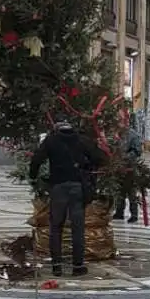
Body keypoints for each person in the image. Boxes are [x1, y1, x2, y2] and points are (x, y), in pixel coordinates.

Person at [30, 118, 102, 277]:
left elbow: (36, 160)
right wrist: (86, 166)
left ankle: (57, 266)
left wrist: (33, 178)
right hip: (77, 187)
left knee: (56, 227)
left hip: (58, 187)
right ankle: (78, 266)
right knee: (78, 228)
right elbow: (99, 158)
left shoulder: (51, 141)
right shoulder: (81, 140)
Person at [113, 123, 142, 223]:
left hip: (129, 167)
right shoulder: (116, 134)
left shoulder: (133, 135)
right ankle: (119, 212)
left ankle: (134, 214)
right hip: (118, 167)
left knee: (131, 192)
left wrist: (125, 157)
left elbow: (137, 151)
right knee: (119, 191)